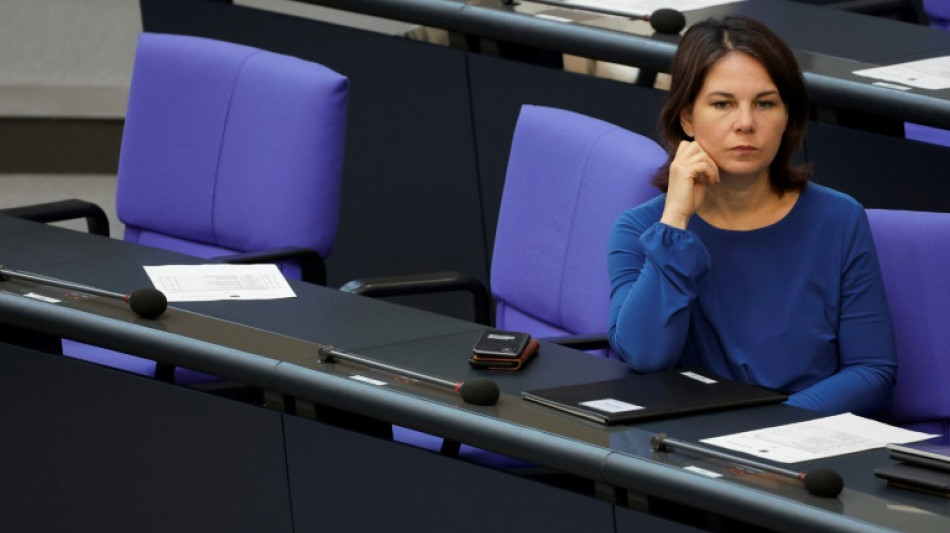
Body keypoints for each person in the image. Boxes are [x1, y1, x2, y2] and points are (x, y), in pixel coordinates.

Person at [606, 16, 897, 416]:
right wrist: (675, 221)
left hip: (804, 439)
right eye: (723, 104)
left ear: (788, 117)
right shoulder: (641, 229)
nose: (746, 123)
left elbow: (872, 370)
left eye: (765, 103)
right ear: (687, 117)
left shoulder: (840, 219)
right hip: (691, 440)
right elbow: (645, 356)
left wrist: (773, 430)